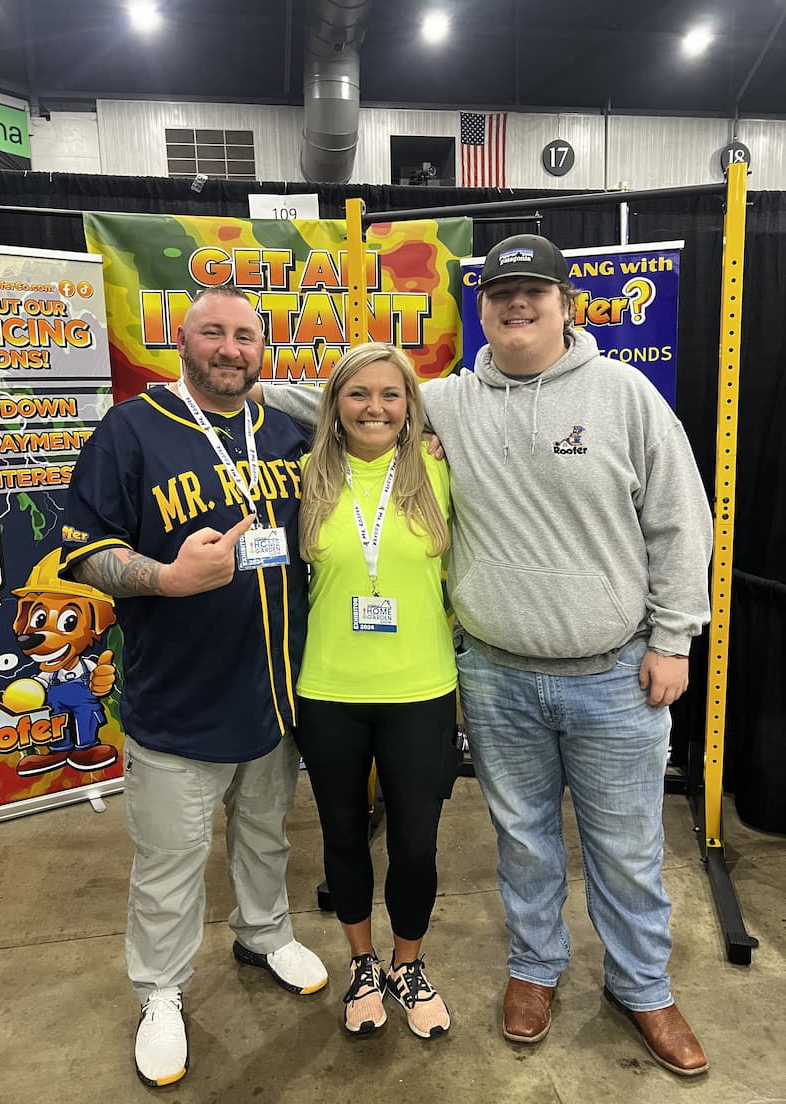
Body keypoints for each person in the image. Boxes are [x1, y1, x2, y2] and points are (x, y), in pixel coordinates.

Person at [255, 234, 714, 1076]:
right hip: (496, 674)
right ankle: (534, 971)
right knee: (525, 842)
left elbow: (682, 519)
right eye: (500, 294)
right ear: (483, 310)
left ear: (564, 303)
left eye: (533, 291)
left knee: (627, 847)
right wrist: (243, 383)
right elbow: (353, 397)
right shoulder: (449, 404)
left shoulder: (625, 395)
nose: (516, 305)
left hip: (614, 673)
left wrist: (674, 638)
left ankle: (643, 986)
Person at [58, 286, 327, 1089]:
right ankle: (162, 990)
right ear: (181, 339)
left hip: (274, 695)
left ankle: (264, 931)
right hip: (177, 702)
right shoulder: (131, 428)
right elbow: (86, 552)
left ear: (263, 350)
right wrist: (169, 579)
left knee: (266, 835)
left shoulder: (284, 430)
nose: (230, 349)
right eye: (213, 332)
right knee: (171, 861)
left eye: (246, 336)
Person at [294, 342, 458, 1038]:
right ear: (335, 404)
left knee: (416, 845)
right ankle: (362, 962)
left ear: (410, 405)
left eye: (390, 394)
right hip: (329, 689)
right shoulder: (304, 475)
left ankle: (408, 965)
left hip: (421, 690)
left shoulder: (439, 471)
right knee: (342, 836)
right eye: (358, 394)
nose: (375, 408)